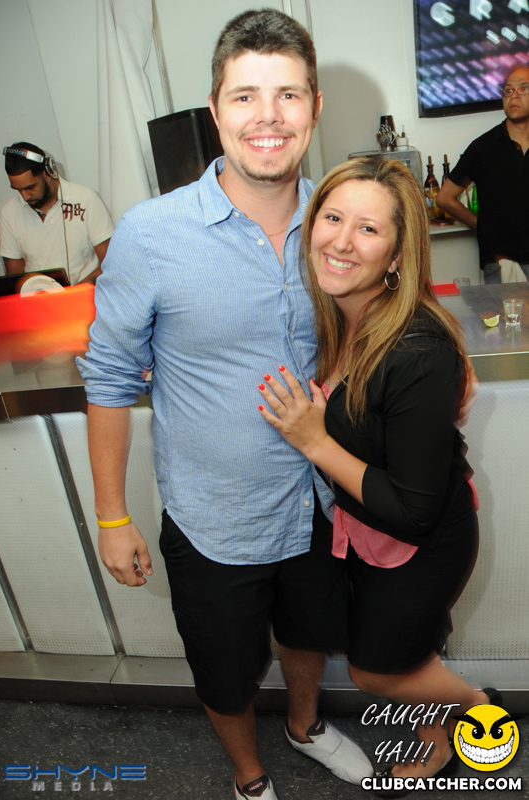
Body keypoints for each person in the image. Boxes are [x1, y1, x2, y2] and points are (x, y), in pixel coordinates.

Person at [76, 9, 372, 800]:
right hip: (214, 520)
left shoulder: (341, 223)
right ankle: (248, 776)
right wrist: (111, 517)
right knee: (226, 667)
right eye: (245, 96)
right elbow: (108, 379)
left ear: (314, 107)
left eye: (287, 95)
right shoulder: (151, 235)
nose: (267, 117)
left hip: (318, 501)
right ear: (216, 110)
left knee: (309, 637)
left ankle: (304, 727)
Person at [258, 156, 499, 794]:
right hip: (368, 533)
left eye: (367, 229)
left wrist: (314, 441)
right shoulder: (341, 313)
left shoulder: (417, 348)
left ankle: (479, 708)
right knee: (409, 650)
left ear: (397, 254)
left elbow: (415, 510)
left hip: (422, 541)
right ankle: (436, 737)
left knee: (375, 669)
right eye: (332, 218)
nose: (341, 241)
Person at [437, 65, 529, 284]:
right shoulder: (483, 147)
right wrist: (482, 226)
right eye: (508, 90)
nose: (514, 95)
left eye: (523, 88)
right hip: (501, 262)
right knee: (503, 310)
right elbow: (444, 198)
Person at [0, 142, 114, 285]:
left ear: (47, 173)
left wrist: (70, 294)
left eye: (30, 187)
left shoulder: (86, 199)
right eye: (18, 189)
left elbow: (110, 262)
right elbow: (14, 274)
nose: (25, 196)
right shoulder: (9, 214)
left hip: (84, 293)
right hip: (38, 297)